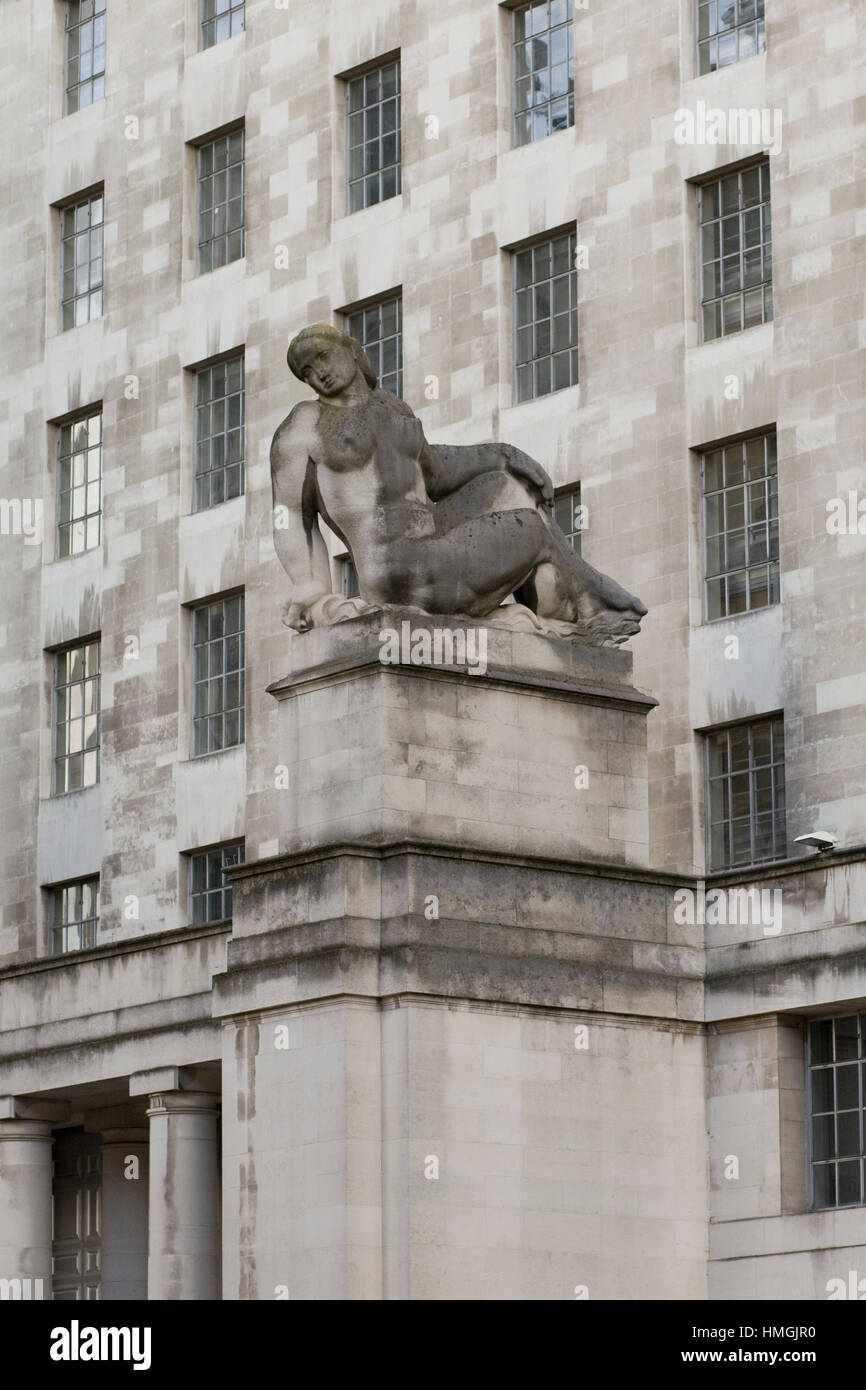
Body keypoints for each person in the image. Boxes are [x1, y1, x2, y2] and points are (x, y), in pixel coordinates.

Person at [270, 323, 647, 643]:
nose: (317, 373)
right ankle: (595, 606)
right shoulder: (305, 423)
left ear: (352, 351)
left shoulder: (391, 406)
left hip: (432, 546)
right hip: (397, 570)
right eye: (306, 371)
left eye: (321, 356)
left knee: (508, 484)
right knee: (531, 529)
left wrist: (506, 454)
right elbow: (290, 514)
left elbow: (435, 471)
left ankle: (558, 608)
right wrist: (311, 588)